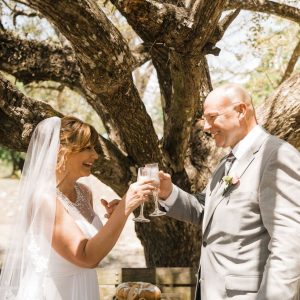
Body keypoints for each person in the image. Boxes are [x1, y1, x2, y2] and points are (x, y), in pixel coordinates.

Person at [158, 83, 300, 300]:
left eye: (212, 117)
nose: (205, 126)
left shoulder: (276, 157)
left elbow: (290, 243)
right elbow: (208, 212)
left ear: (241, 111)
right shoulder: (226, 162)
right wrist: (168, 193)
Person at [0, 116, 153, 300]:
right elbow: (86, 257)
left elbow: (96, 249)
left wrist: (116, 217)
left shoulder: (85, 193)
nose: (95, 155)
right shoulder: (44, 199)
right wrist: (125, 208)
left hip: (85, 289)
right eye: (88, 148)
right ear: (62, 150)